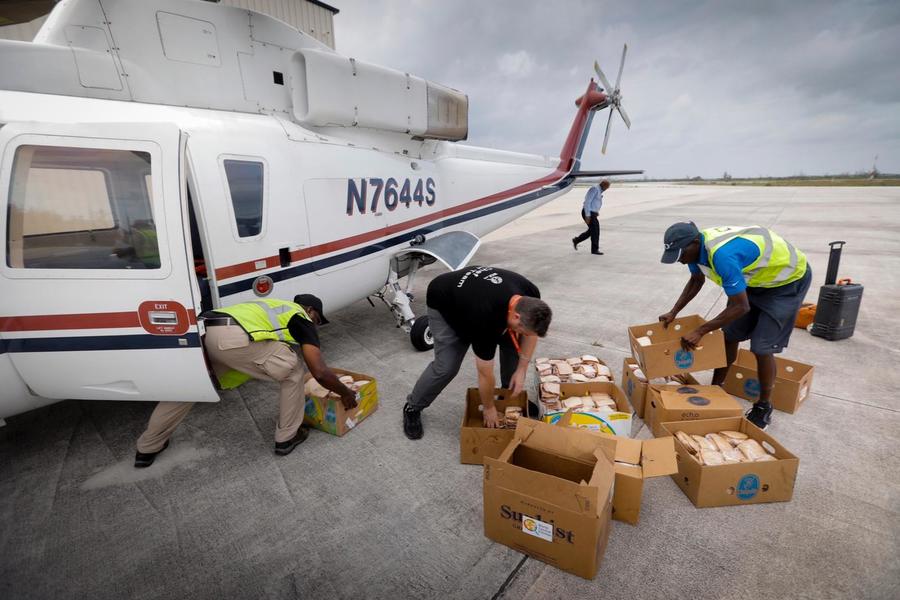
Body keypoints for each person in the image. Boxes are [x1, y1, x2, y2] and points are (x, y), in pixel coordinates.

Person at [133, 294, 357, 467]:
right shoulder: (299, 316)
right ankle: (287, 437)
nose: (315, 326)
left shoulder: (268, 306)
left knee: (191, 388)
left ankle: (147, 448)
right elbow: (319, 371)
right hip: (232, 339)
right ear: (310, 310)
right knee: (293, 371)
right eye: (317, 320)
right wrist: (346, 392)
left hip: (202, 332)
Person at [658, 222, 812, 430]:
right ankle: (716, 388)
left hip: (786, 283)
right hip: (754, 281)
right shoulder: (695, 250)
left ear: (694, 243)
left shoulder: (722, 256)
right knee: (729, 335)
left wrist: (701, 330)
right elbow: (696, 280)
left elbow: (741, 307)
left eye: (681, 254)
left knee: (761, 347)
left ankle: (763, 406)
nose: (680, 260)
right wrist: (674, 311)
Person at [402, 266, 552, 440]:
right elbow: (485, 372)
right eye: (524, 330)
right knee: (446, 366)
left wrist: (521, 370)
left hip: (475, 295)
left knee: (514, 343)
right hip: (444, 300)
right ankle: (413, 407)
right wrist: (488, 408)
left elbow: (531, 335)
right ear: (517, 316)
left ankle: (508, 394)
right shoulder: (485, 318)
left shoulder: (531, 294)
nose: (526, 335)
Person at [572, 179, 609, 255]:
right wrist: (587, 215)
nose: (606, 189)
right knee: (595, 231)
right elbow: (587, 202)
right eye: (607, 187)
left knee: (592, 231)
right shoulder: (594, 189)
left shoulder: (599, 190)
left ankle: (576, 240)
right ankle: (594, 250)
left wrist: (596, 212)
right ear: (603, 185)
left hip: (592, 213)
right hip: (588, 213)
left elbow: (595, 202)